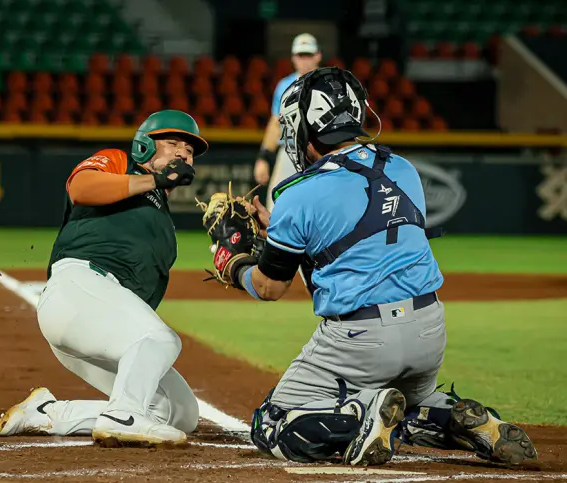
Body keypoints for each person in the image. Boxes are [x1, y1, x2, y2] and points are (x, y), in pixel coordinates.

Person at [216, 67, 538, 466]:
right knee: (407, 407)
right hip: (429, 328)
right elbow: (353, 237)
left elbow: (269, 287)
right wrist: (278, 232)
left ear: (307, 126)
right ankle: (463, 421)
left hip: (362, 340)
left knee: (272, 422)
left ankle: (361, 412)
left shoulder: (297, 194)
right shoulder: (403, 168)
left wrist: (231, 263)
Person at [0, 110, 208, 446]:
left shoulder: (164, 226)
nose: (183, 153)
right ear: (144, 146)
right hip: (77, 287)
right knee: (161, 339)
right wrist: (155, 180)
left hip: (93, 321)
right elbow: (81, 187)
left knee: (179, 411)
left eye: (190, 150)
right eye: (172, 143)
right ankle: (124, 416)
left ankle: (48, 413)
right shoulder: (119, 161)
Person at [254, 33, 322, 211]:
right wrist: (263, 157)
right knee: (276, 204)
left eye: (309, 55)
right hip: (290, 152)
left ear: (318, 56)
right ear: (293, 58)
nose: (305, 60)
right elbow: (276, 123)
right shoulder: (285, 86)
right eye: (301, 56)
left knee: (320, 205)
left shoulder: (329, 84)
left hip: (322, 152)